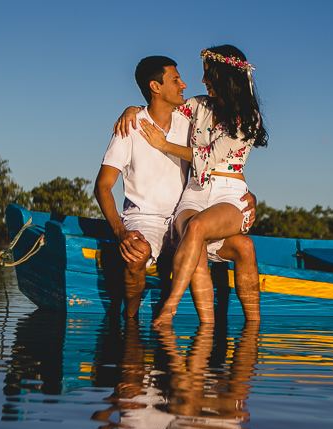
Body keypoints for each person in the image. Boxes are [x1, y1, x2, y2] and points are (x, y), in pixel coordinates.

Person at [94, 55, 260, 321]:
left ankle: (247, 330)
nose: (186, 84)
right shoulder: (136, 126)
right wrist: (121, 232)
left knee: (243, 245)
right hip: (154, 216)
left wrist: (247, 195)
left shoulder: (193, 121)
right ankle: (131, 325)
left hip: (197, 208)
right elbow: (102, 186)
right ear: (156, 86)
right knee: (139, 254)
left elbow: (215, 158)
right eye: (176, 80)